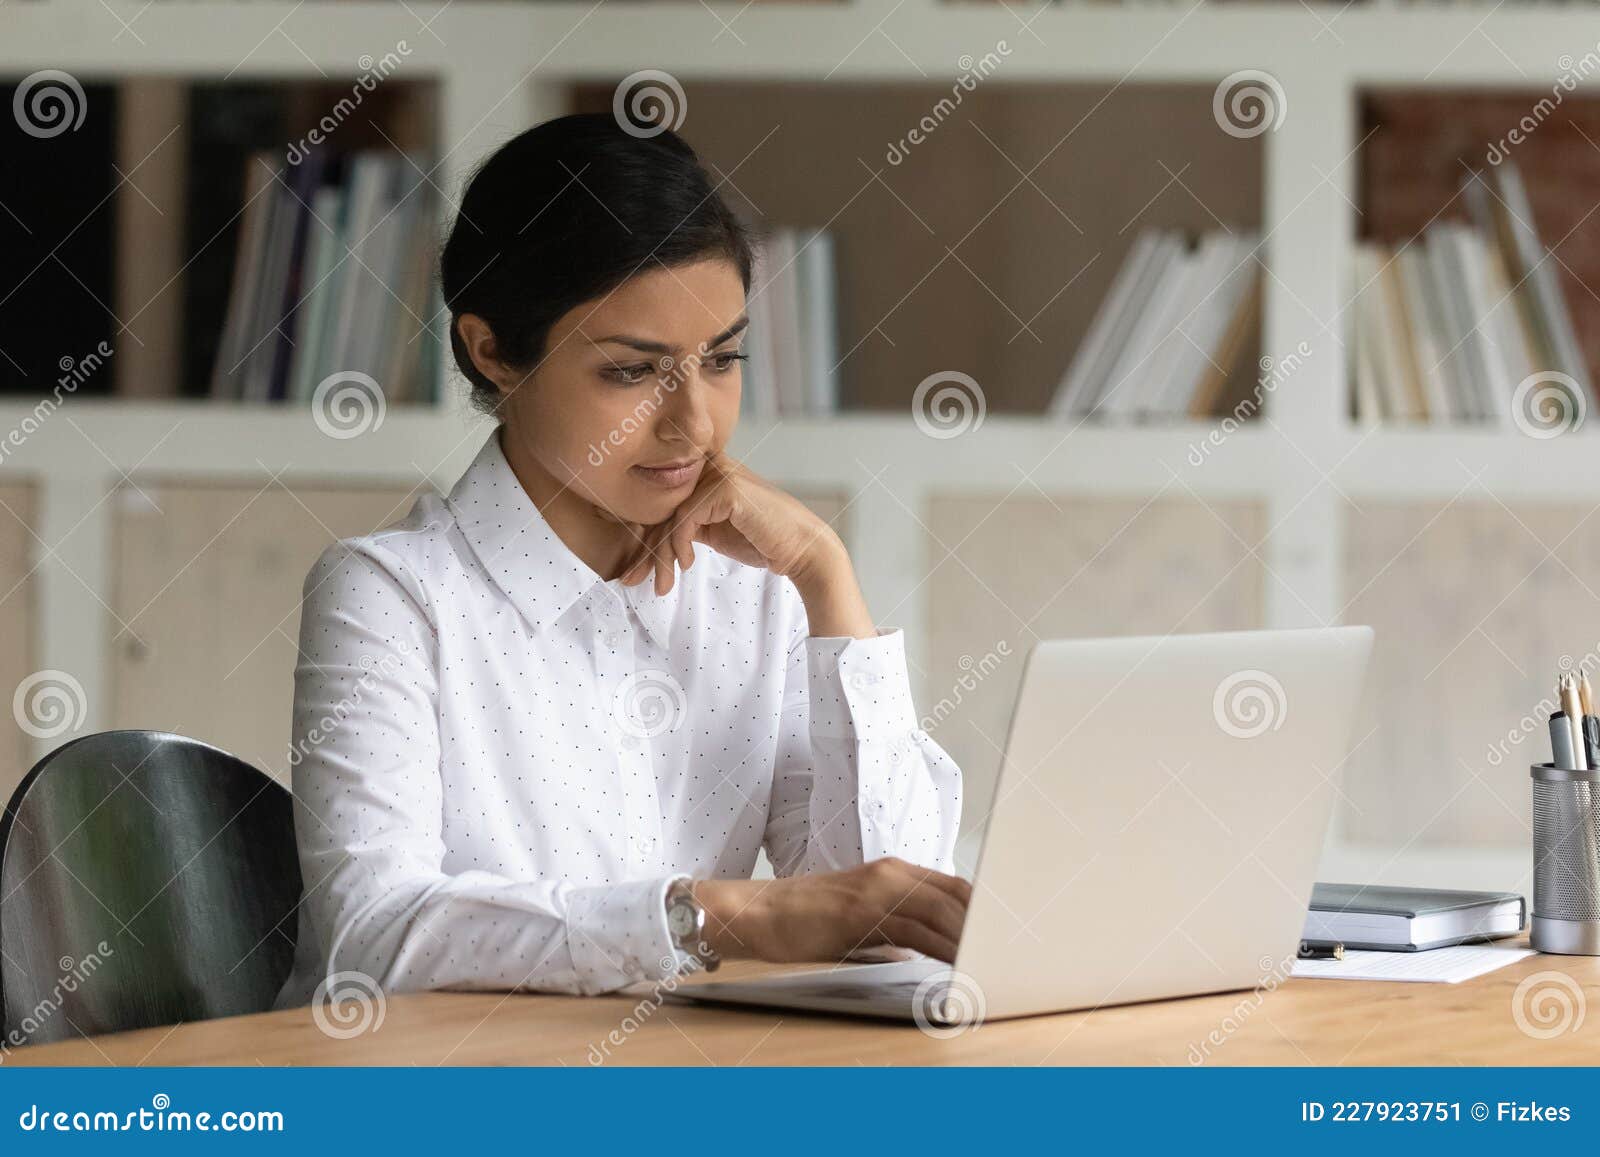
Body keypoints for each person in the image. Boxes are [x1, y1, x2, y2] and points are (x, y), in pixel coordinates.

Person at [274, 113, 966, 1006]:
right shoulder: (392, 595)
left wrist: (827, 578)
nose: (692, 424)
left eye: (722, 360)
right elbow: (376, 933)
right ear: (492, 351)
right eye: (633, 373)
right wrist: (723, 917)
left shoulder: (761, 590)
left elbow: (889, 916)